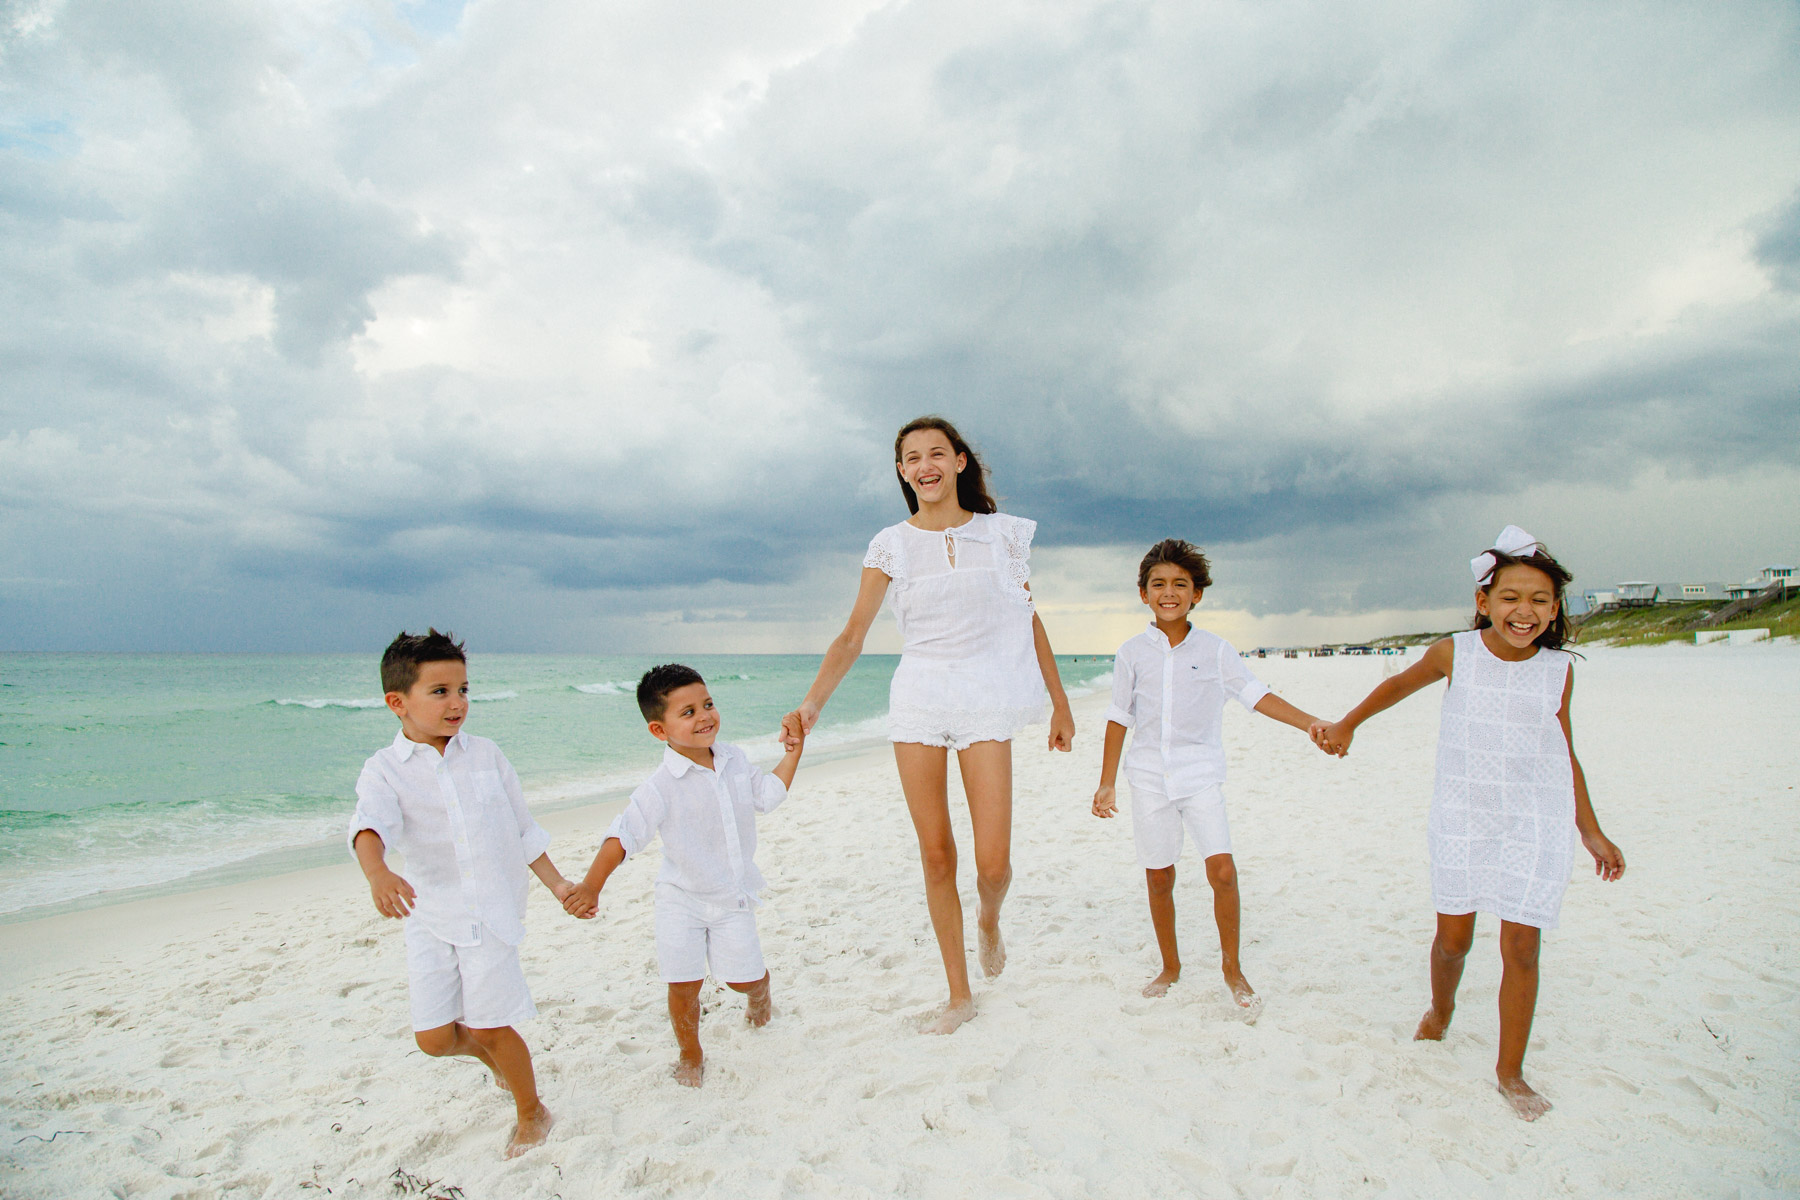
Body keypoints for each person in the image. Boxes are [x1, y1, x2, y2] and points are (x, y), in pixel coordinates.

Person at [1309, 526, 1626, 1121]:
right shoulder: (1456, 653)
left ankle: (1510, 1072)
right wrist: (1348, 724)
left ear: (1555, 609)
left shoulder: (1558, 670)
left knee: (1522, 947)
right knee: (1454, 939)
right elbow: (1396, 686)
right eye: (1510, 597)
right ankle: (1441, 1009)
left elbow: (1564, 750)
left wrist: (1590, 828)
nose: (1524, 611)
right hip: (1464, 815)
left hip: (1534, 819)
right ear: (1484, 602)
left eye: (1538, 600)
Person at [781, 416, 1075, 1035]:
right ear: (901, 471)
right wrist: (812, 707)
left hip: (984, 698)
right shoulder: (890, 544)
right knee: (937, 856)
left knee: (993, 865)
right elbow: (852, 635)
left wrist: (1060, 702)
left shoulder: (1002, 536)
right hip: (918, 697)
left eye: (936, 453)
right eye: (911, 457)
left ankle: (989, 919)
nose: (924, 464)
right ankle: (958, 994)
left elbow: (1028, 619)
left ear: (960, 462)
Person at [348, 629, 572, 1159]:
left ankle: (531, 1110)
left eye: (464, 690)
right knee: (435, 1039)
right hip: (430, 915)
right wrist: (378, 874)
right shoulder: (384, 770)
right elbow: (368, 828)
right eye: (441, 691)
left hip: (492, 914)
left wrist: (560, 884)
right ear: (397, 702)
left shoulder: (487, 756)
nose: (458, 703)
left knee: (493, 1025)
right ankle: (495, 1061)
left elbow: (524, 831)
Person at [1092, 539, 1325, 1014]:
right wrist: (1106, 781)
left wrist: (1311, 724)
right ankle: (1170, 966)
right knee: (1159, 876)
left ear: (1197, 594)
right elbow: (1119, 717)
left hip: (1200, 776)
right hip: (1149, 777)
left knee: (1222, 871)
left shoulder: (1217, 651)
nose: (1169, 592)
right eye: (1158, 584)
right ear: (1143, 594)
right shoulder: (1132, 653)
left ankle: (1232, 969)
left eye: (1180, 584)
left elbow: (1257, 696)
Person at [563, 664, 804, 1087]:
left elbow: (767, 796)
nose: (705, 716)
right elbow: (624, 834)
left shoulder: (733, 760)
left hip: (733, 897)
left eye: (707, 704)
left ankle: (760, 988)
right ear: (660, 730)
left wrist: (793, 753)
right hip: (681, 899)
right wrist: (591, 885)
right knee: (683, 984)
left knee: (741, 978)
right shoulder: (660, 786)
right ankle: (690, 1053)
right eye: (688, 712)